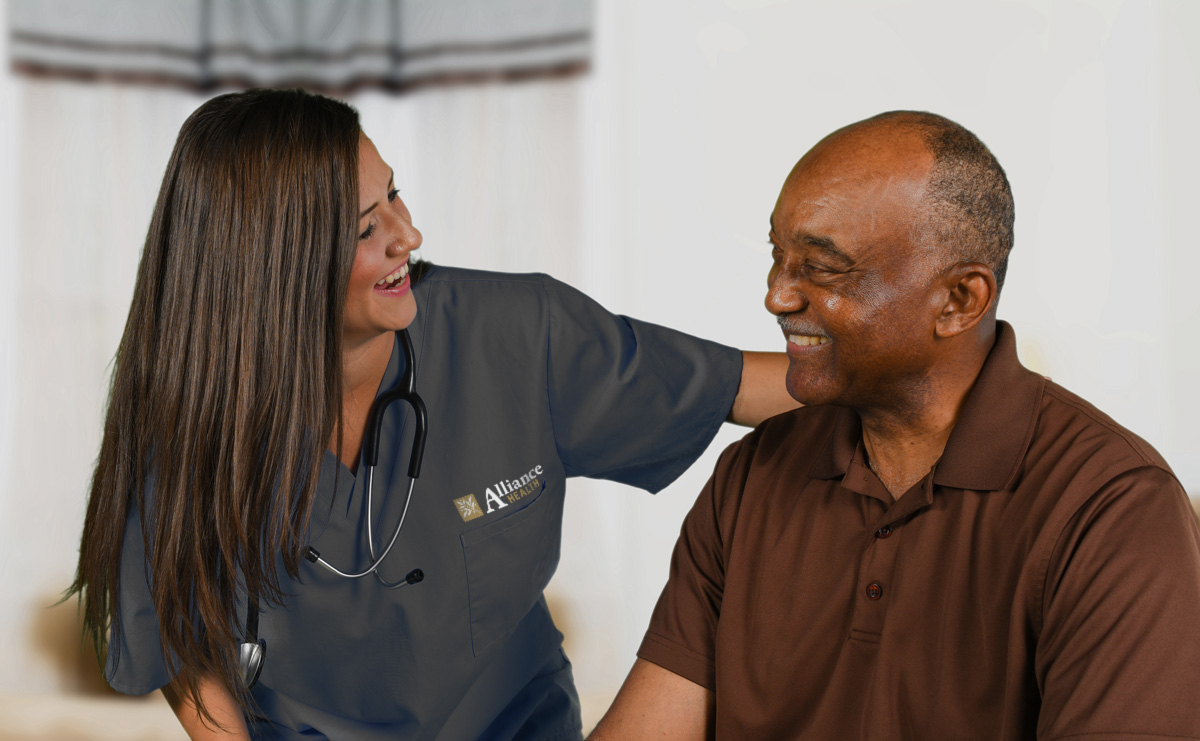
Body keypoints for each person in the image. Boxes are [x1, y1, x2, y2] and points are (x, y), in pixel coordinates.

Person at [69, 88, 800, 740]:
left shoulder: (515, 333)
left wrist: (894, 363)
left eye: (396, 196)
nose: (407, 237)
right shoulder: (189, 417)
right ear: (272, 265)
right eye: (364, 229)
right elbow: (178, 627)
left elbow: (740, 386)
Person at [589, 111, 1200, 739]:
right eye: (778, 255)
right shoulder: (753, 474)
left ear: (960, 301)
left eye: (822, 268)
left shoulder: (1113, 506)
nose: (777, 295)